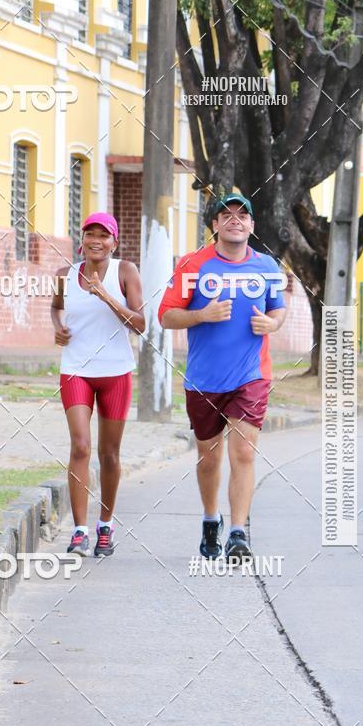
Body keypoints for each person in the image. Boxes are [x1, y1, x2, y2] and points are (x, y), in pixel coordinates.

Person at [158, 193, 287, 563]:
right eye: (226, 215)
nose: (235, 220)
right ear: (214, 225)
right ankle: (210, 519)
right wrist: (202, 315)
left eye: (242, 215)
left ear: (252, 226)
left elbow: (278, 310)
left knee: (244, 450)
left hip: (251, 374)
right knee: (209, 457)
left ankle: (238, 532)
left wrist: (272, 324)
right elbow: (166, 317)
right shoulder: (193, 265)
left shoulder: (266, 266)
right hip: (204, 379)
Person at [52, 213, 145, 556]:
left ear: (114, 242)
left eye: (103, 236)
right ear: (82, 240)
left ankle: (105, 524)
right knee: (80, 446)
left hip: (115, 373)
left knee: (109, 453)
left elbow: (140, 323)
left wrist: (106, 295)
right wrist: (58, 328)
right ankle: (79, 531)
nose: (96, 241)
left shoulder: (126, 272)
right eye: (90, 234)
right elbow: (55, 308)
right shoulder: (64, 275)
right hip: (75, 369)